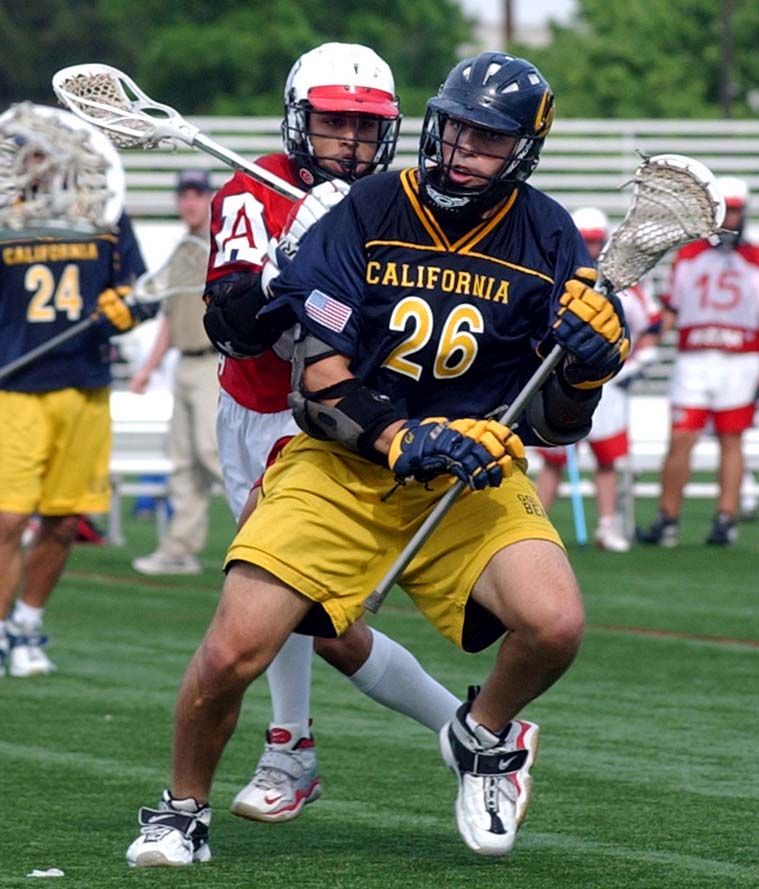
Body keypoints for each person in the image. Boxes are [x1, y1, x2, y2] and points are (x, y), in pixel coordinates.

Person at [126, 51, 629, 866]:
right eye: (454, 128)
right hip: (340, 466)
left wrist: (584, 369)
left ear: (523, 150)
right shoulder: (367, 206)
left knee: (555, 624)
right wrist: (400, 436)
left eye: (487, 138)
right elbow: (316, 380)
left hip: (468, 473)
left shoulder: (548, 234)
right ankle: (181, 811)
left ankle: (482, 736)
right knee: (231, 651)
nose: (461, 150)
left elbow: (556, 423)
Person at [200, 42, 460, 824]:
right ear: (298, 119)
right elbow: (232, 328)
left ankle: (297, 745)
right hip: (254, 406)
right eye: (333, 122)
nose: (349, 140)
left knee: (281, 595)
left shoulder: (398, 204)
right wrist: (285, 259)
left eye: (364, 125)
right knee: (313, 619)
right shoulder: (254, 191)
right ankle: (470, 731)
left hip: (326, 415)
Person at [0, 104, 148, 678]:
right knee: (8, 520)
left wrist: (125, 309)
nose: (39, 161)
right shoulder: (5, 214)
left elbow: (139, 291)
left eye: (47, 150)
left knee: (64, 522)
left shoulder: (105, 212)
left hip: (84, 385)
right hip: (16, 388)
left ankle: (26, 624)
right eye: (29, 151)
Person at [638, 176, 759, 547]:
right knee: (681, 438)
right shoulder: (689, 256)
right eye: (725, 211)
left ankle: (726, 518)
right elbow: (671, 309)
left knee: (731, 439)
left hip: (740, 360)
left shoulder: (754, 259)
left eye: (735, 211)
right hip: (693, 359)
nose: (730, 219)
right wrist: (643, 345)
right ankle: (667, 518)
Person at [535, 207, 660, 551]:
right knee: (554, 460)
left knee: (608, 458)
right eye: (585, 241)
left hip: (610, 384)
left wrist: (635, 361)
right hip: (563, 381)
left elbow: (651, 326)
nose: (590, 249)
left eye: (595, 241)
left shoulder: (627, 283)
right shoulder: (554, 276)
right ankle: (535, 526)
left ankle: (607, 525)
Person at [131, 169, 221, 575]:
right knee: (184, 461)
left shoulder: (221, 245)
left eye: (196, 194)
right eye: (184, 195)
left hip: (213, 362)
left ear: (209, 198)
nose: (189, 202)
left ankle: (271, 539)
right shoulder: (184, 249)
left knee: (212, 453)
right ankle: (179, 549)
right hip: (184, 363)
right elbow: (169, 317)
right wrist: (147, 369)